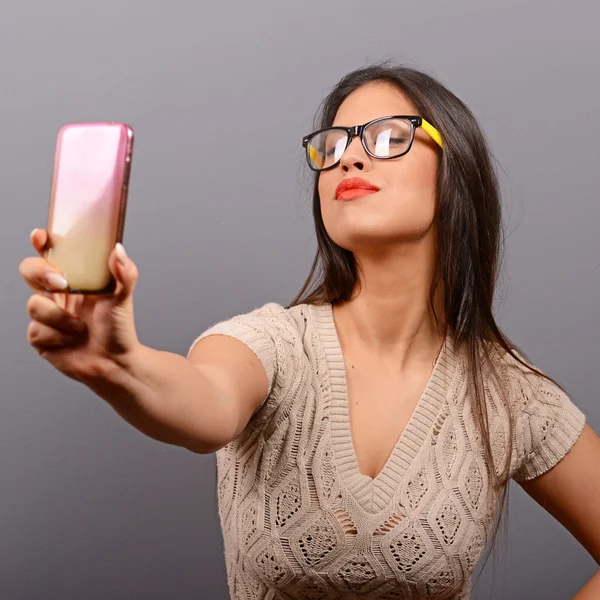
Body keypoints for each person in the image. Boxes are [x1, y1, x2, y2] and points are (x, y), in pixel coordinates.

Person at [19, 61, 600, 599]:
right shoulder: (267, 345)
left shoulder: (507, 393)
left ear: (457, 170)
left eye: (390, 137)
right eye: (335, 144)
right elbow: (205, 408)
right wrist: (122, 366)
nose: (349, 158)